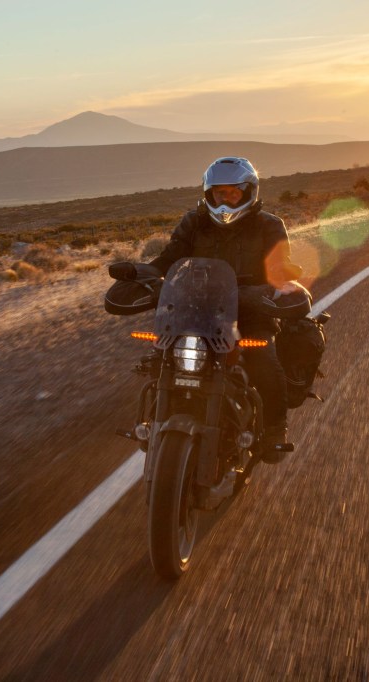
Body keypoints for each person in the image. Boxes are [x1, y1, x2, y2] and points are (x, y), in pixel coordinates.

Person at [147, 157, 301, 460]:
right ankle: (156, 418)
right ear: (209, 193)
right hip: (198, 308)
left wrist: (275, 284)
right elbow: (169, 258)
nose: (225, 199)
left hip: (253, 310)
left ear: (248, 192)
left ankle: (274, 429)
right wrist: (143, 275)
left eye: (232, 193)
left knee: (262, 359)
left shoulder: (269, 226)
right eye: (219, 193)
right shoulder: (194, 221)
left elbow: (280, 269)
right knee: (162, 354)